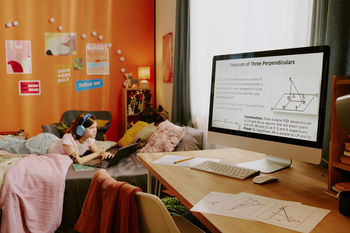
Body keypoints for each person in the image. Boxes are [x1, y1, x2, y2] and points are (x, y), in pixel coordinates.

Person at [0, 112, 113, 164]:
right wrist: (98, 153)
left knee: (20, 143)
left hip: (52, 140)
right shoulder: (69, 139)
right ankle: (3, 140)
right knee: (11, 147)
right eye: (92, 128)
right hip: (42, 146)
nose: (95, 130)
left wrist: (105, 154)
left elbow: (97, 151)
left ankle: (4, 138)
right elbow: (78, 160)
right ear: (81, 129)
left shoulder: (89, 139)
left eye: (96, 127)